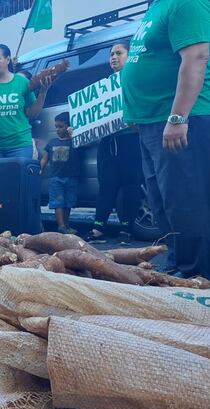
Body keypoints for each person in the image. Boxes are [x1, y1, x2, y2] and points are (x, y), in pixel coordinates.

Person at [122, 0, 210, 279]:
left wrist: (178, 117)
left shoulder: (186, 3)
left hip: (181, 119)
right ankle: (180, 262)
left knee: (185, 200)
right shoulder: (156, 7)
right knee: (162, 202)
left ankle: (197, 275)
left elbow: (197, 56)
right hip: (152, 123)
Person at [0, 44, 51, 212]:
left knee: (18, 187)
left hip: (18, 143)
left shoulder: (21, 82)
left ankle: (19, 227)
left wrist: (43, 93)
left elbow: (32, 113)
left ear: (7, 59)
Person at [83, 43, 143, 244]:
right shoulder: (103, 86)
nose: (114, 57)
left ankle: (127, 227)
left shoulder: (136, 79)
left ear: (129, 55)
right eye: (111, 54)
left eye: (119, 53)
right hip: (108, 141)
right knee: (106, 185)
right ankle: (99, 227)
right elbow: (92, 116)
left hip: (130, 139)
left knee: (130, 185)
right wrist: (80, 128)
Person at [40, 112, 83, 235]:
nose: (58, 129)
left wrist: (73, 135)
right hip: (56, 178)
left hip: (71, 177)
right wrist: (41, 168)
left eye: (61, 126)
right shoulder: (52, 142)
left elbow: (84, 145)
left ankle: (66, 224)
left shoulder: (75, 141)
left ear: (68, 127)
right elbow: (45, 157)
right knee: (58, 202)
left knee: (68, 202)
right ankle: (61, 225)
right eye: (56, 127)